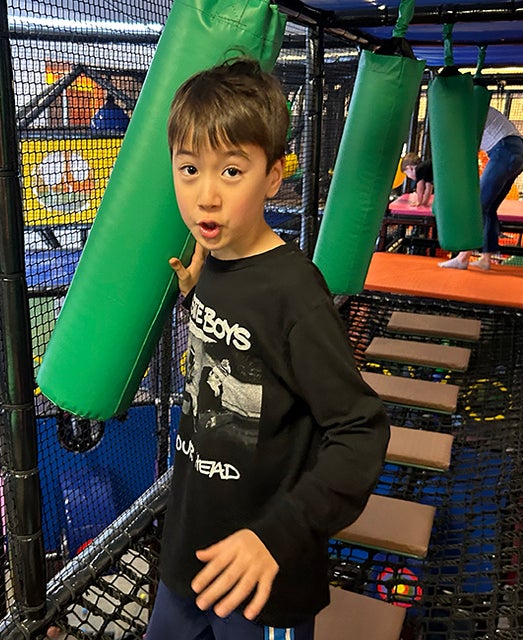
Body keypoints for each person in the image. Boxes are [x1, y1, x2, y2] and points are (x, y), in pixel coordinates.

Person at [145, 57, 390, 640]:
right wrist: (190, 297)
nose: (205, 196)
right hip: (190, 556)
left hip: (262, 579)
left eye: (232, 171)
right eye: (188, 169)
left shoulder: (295, 295)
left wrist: (276, 535)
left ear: (274, 177)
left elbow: (360, 431)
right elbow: (238, 351)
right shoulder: (212, 265)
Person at [438, 106, 523, 271]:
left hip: (505, 149)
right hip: (519, 152)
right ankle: (486, 259)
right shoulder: (478, 109)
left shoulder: (469, 109)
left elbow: (467, 147)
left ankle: (462, 258)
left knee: (477, 205)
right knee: (489, 207)